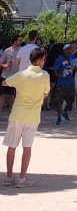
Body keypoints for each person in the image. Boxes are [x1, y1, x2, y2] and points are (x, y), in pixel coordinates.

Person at [2, 46, 50, 187]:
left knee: (12, 146)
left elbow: (5, 82)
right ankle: (22, 179)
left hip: (17, 114)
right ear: (41, 61)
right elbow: (46, 93)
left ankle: (9, 177)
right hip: (33, 116)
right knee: (27, 147)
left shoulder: (21, 75)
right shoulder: (45, 75)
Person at [53, 43, 76, 125]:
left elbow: (76, 67)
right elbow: (55, 71)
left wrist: (75, 67)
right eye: (68, 49)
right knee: (59, 101)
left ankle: (65, 111)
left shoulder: (73, 57)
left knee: (71, 100)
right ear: (64, 50)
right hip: (61, 84)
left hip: (70, 82)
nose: (70, 50)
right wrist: (60, 75)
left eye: (70, 49)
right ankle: (59, 118)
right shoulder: (60, 59)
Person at [0, 36, 22, 111]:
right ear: (15, 41)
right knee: (2, 96)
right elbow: (0, 63)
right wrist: (4, 65)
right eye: (19, 40)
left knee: (12, 96)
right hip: (5, 76)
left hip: (15, 77)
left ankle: (12, 115)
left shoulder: (21, 50)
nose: (21, 41)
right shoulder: (7, 50)